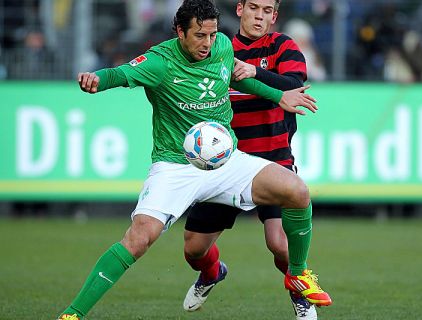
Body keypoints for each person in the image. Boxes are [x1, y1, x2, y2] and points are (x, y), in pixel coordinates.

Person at [57, 1, 325, 319]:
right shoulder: (159, 61)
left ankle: (297, 274)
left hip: (227, 160)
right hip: (177, 165)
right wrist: (97, 80)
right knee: (142, 239)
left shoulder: (223, 47)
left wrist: (278, 95)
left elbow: (234, 79)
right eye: (200, 36)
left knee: (297, 191)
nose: (208, 44)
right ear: (180, 32)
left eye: (212, 35)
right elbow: (121, 73)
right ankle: (73, 314)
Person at [181, 1, 331, 319]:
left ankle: (298, 290)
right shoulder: (220, 49)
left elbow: (295, 87)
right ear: (240, 9)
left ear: (274, 16)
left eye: (266, 10)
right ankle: (211, 273)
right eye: (253, 8)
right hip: (228, 164)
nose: (259, 16)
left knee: (279, 244)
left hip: (273, 162)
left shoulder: (282, 46)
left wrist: (256, 72)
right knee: (193, 249)